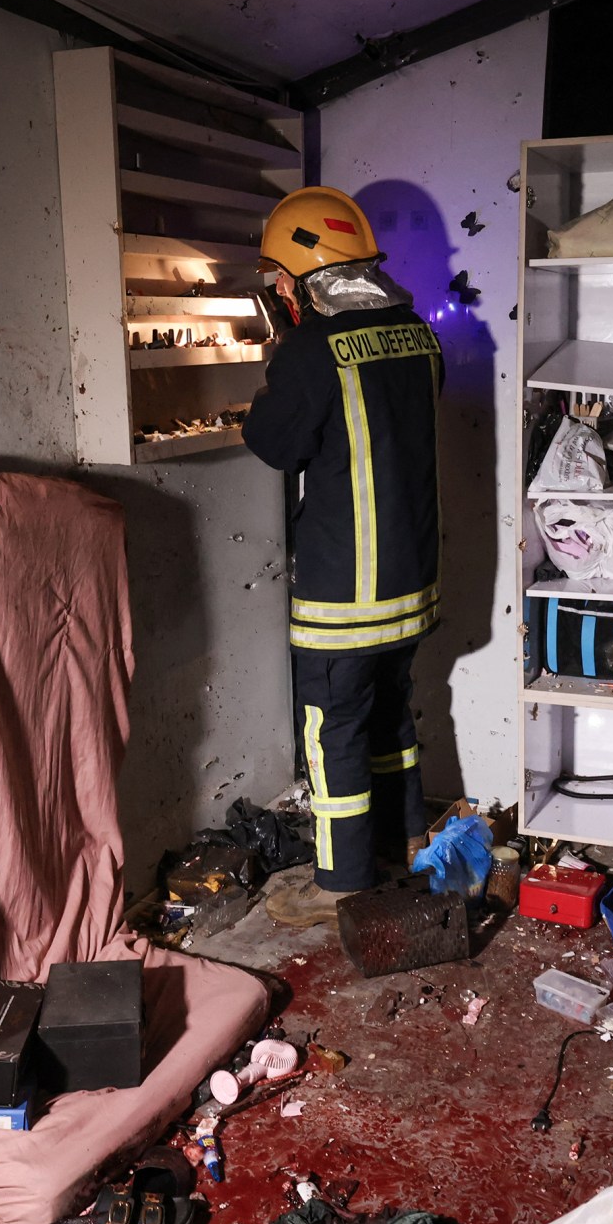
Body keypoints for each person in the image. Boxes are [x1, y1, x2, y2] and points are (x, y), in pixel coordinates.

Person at [243, 186, 443, 901]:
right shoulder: (417, 333)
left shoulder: (309, 350)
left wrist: (279, 361)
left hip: (344, 598)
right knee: (390, 715)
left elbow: (275, 444)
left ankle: (342, 886)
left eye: (279, 278)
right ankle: (408, 840)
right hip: (411, 585)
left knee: (335, 734)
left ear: (303, 277)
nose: (277, 290)